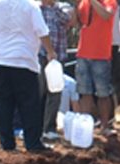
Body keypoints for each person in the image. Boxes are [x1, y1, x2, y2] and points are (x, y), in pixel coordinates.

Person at [0, 0, 57, 152]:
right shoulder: (31, 6)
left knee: (4, 104)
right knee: (29, 105)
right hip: (24, 60)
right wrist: (50, 52)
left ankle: (7, 144)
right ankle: (33, 143)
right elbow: (42, 31)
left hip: (1, 61)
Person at [75, 0, 118, 136]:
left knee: (103, 93)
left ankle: (104, 126)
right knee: (84, 92)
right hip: (83, 53)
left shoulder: (110, 2)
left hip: (101, 55)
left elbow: (106, 15)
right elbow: (78, 23)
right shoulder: (84, 3)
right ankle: (85, 128)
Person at [38, 0, 76, 140]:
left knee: (55, 92)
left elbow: (69, 20)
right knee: (40, 92)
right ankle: (37, 128)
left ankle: (49, 128)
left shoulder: (61, 7)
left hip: (58, 57)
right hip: (41, 56)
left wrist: (53, 6)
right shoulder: (36, 8)